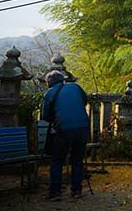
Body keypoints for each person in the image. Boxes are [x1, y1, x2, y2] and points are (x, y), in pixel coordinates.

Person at [41, 69, 90, 201]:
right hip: (83, 128)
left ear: (49, 83)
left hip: (64, 130)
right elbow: (85, 101)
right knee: (77, 159)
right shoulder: (76, 87)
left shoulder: (49, 94)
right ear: (63, 80)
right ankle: (76, 190)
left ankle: (55, 192)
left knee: (57, 160)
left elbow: (45, 116)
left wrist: (57, 116)